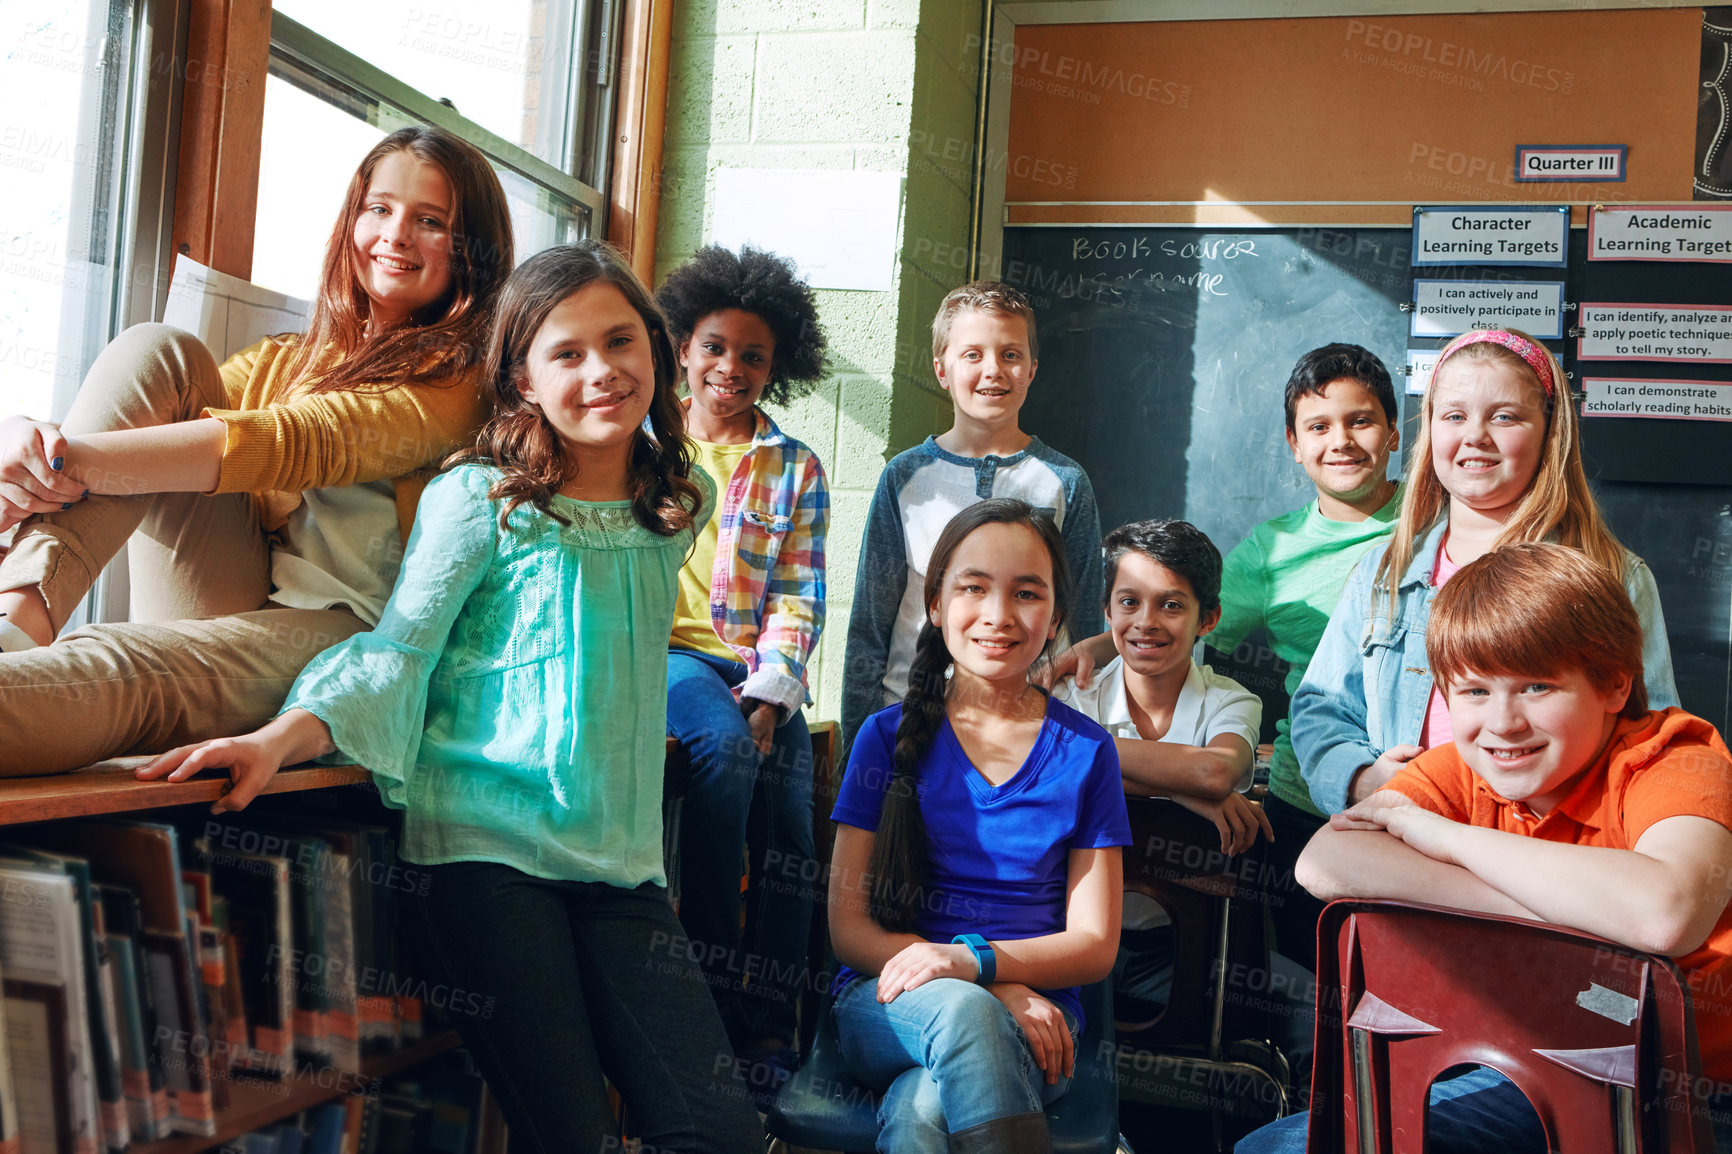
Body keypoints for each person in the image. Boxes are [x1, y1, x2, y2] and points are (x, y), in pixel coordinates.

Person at [136, 242, 765, 1153]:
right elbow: (400, 651)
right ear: (523, 379)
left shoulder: (679, 501)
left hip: (619, 867)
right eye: (567, 354)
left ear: (658, 352)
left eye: (621, 342)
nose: (603, 372)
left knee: (721, 1135)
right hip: (485, 860)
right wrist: (277, 740)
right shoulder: (479, 498)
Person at [0, 126, 513, 775]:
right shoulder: (290, 358)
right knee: (162, 352)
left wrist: (64, 462)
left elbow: (299, 442)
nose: (396, 234)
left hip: (349, 638)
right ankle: (16, 622)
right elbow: (159, 422)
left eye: (431, 220)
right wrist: (24, 437)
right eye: (379, 208)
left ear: (473, 250)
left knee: (130, 663)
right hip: (242, 593)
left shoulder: (463, 381)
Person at [1236, 542, 1732, 1153]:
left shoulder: (1676, 757)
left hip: (1693, 1092)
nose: (1502, 722)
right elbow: (1326, 862)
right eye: (1472, 691)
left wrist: (1448, 839)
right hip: (1526, 1067)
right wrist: (1586, 913)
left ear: (1613, 684)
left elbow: (1666, 913)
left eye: (1537, 687)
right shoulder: (1465, 767)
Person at [829, 498, 1130, 1153]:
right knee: (965, 1015)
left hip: (1039, 1022)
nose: (998, 615)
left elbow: (1095, 944)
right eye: (973, 587)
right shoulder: (883, 741)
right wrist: (988, 985)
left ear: (1055, 616)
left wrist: (976, 964)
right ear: (936, 604)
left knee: (920, 1111)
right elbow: (849, 931)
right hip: (885, 1004)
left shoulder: (1086, 752)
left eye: (1026, 592)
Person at [1291, 327, 1679, 817]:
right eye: (1454, 415)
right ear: (1430, 429)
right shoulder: (1383, 572)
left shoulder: (1608, 573)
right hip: (1408, 839)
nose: (1475, 434)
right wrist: (1361, 778)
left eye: (1505, 416)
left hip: (1544, 851)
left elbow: (1653, 734)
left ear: (1550, 431)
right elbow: (1322, 705)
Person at [653, 244, 830, 1080]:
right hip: (668, 658)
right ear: (683, 345)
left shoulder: (795, 466)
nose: (731, 368)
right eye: (715, 347)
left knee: (794, 816)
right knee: (721, 757)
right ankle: (710, 992)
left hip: (757, 666)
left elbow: (798, 594)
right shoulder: (643, 445)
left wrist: (771, 697)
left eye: (753, 356)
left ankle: (772, 1017)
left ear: (776, 367)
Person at [840, 281, 1104, 749]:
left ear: (1032, 369)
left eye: (1010, 354)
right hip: (911, 722)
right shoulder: (904, 477)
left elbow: (1085, 630)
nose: (993, 371)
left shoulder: (1066, 481)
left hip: (1031, 730)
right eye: (973, 355)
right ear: (941, 369)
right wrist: (856, 756)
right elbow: (870, 625)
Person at [1208, 343, 1403, 964]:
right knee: (1313, 990)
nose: (1340, 440)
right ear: (1294, 444)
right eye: (1318, 426)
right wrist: (1101, 644)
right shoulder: (1270, 550)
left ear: (1394, 432)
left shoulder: (1442, 524)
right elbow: (1179, 623)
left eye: (1360, 420)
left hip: (1427, 796)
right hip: (1305, 802)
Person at [1054, 517, 1268, 1027]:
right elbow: (1025, 754)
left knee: (1305, 1010)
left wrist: (1069, 753)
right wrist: (1180, 791)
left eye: (1171, 605)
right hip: (1062, 937)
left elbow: (1216, 773)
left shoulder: (1231, 702)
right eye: (1129, 602)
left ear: (1208, 618)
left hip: (1181, 955)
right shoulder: (1071, 696)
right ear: (1106, 611)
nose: (1146, 621)